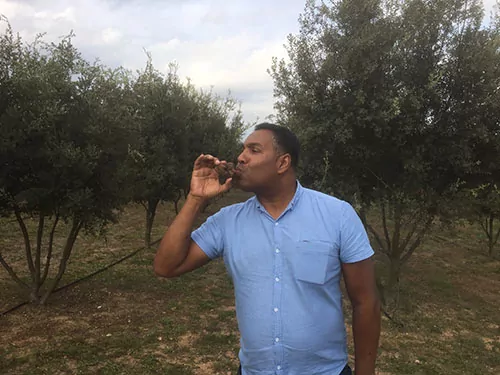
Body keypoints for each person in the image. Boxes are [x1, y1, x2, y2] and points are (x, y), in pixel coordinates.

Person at [154, 123, 381, 375]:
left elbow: (366, 302)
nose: (240, 157)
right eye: (242, 149)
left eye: (253, 150)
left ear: (282, 163)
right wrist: (196, 198)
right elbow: (166, 266)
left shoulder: (337, 215)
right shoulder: (227, 221)